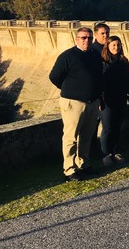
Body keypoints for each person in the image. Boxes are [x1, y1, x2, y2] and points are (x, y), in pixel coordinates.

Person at [49, 27, 103, 181]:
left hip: (92, 102)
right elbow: (54, 77)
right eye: (83, 38)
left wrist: (99, 97)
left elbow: (99, 77)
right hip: (73, 103)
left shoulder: (95, 55)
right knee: (71, 137)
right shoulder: (68, 56)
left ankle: (83, 164)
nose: (87, 40)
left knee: (87, 136)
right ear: (77, 39)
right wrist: (70, 90)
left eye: (89, 38)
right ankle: (69, 169)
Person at [100, 35, 129, 166]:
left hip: (120, 98)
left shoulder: (123, 61)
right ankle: (106, 154)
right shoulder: (103, 61)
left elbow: (128, 79)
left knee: (117, 126)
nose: (116, 47)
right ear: (108, 47)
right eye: (113, 45)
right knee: (107, 127)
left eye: (118, 45)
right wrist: (100, 98)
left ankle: (116, 151)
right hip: (106, 100)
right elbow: (99, 82)